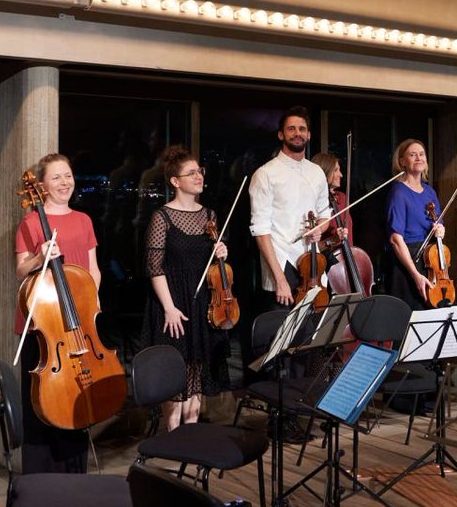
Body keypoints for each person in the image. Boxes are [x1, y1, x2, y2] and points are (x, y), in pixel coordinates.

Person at [14, 152, 100, 473]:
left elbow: (93, 270)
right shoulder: (31, 222)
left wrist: (92, 304)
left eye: (68, 175)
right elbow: (21, 271)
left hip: (79, 323)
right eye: (56, 178)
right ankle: (39, 476)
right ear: (43, 186)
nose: (65, 183)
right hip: (43, 324)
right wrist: (39, 258)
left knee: (79, 393)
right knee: (42, 401)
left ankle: (74, 474)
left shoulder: (83, 220)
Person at [140, 146, 229, 430]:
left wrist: (222, 253)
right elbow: (155, 267)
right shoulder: (162, 217)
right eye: (191, 173)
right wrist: (169, 309)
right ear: (175, 181)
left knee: (198, 370)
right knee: (176, 372)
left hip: (204, 302)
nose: (198, 176)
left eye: (199, 171)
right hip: (173, 303)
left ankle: (191, 433)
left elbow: (212, 268)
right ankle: (172, 435)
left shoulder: (210, 216)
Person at [249, 107, 336, 310]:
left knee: (313, 333)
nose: (297, 133)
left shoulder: (316, 172)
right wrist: (279, 279)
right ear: (281, 134)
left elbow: (325, 216)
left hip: (313, 263)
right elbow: (261, 231)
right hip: (281, 262)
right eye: (291, 129)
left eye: (302, 129)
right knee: (282, 336)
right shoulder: (265, 174)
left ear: (309, 134)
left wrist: (319, 230)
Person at [384, 138, 444, 310]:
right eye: (412, 154)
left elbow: (439, 223)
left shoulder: (430, 191)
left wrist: (440, 229)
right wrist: (415, 274)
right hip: (408, 263)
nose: (419, 158)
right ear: (402, 161)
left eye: (422, 154)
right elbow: (396, 239)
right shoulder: (398, 192)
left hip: (430, 261)